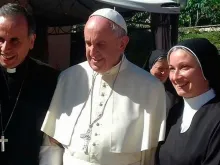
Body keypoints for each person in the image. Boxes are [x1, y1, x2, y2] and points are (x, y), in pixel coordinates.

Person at [40, 8, 166, 165]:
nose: (92, 52)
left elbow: (150, 154)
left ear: (122, 44)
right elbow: (52, 143)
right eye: (88, 43)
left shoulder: (150, 87)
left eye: (100, 44)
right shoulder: (68, 77)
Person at [0, 3, 59, 165]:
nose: (5, 48)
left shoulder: (50, 79)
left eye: (14, 41)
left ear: (31, 41)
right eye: (0, 39)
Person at [156, 38, 220, 165]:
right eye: (172, 68)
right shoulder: (175, 111)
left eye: (184, 67)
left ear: (206, 68)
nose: (175, 77)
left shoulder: (217, 117)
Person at [148, 49, 178, 114]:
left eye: (167, 68)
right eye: (160, 68)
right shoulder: (139, 87)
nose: (164, 73)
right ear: (151, 67)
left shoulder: (175, 91)